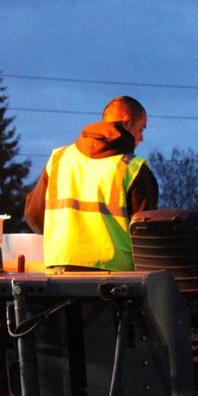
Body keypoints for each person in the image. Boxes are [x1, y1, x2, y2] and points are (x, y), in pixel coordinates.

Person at [24, 96, 158, 270]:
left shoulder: (59, 159)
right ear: (127, 123)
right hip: (116, 280)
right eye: (141, 129)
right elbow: (146, 235)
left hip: (59, 273)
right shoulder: (133, 168)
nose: (141, 138)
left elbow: (34, 217)